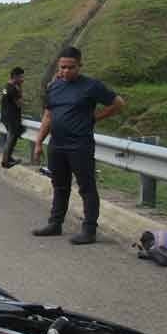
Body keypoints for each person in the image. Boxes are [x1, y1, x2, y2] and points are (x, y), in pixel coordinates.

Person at [32, 47, 125, 244]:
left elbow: (118, 103)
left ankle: (89, 230)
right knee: (59, 185)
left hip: (80, 145)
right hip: (56, 145)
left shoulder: (91, 86)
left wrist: (95, 117)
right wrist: (39, 141)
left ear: (80, 66)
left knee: (87, 188)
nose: (65, 71)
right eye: (62, 67)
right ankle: (55, 224)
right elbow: (48, 116)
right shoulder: (54, 86)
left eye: (70, 67)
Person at [0, 67, 25, 167]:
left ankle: (8, 158)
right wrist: (20, 90)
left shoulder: (6, 86)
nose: (23, 79)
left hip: (6, 116)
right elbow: (19, 104)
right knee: (11, 138)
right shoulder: (13, 89)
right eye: (21, 77)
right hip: (12, 118)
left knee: (12, 137)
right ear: (15, 76)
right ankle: (6, 161)